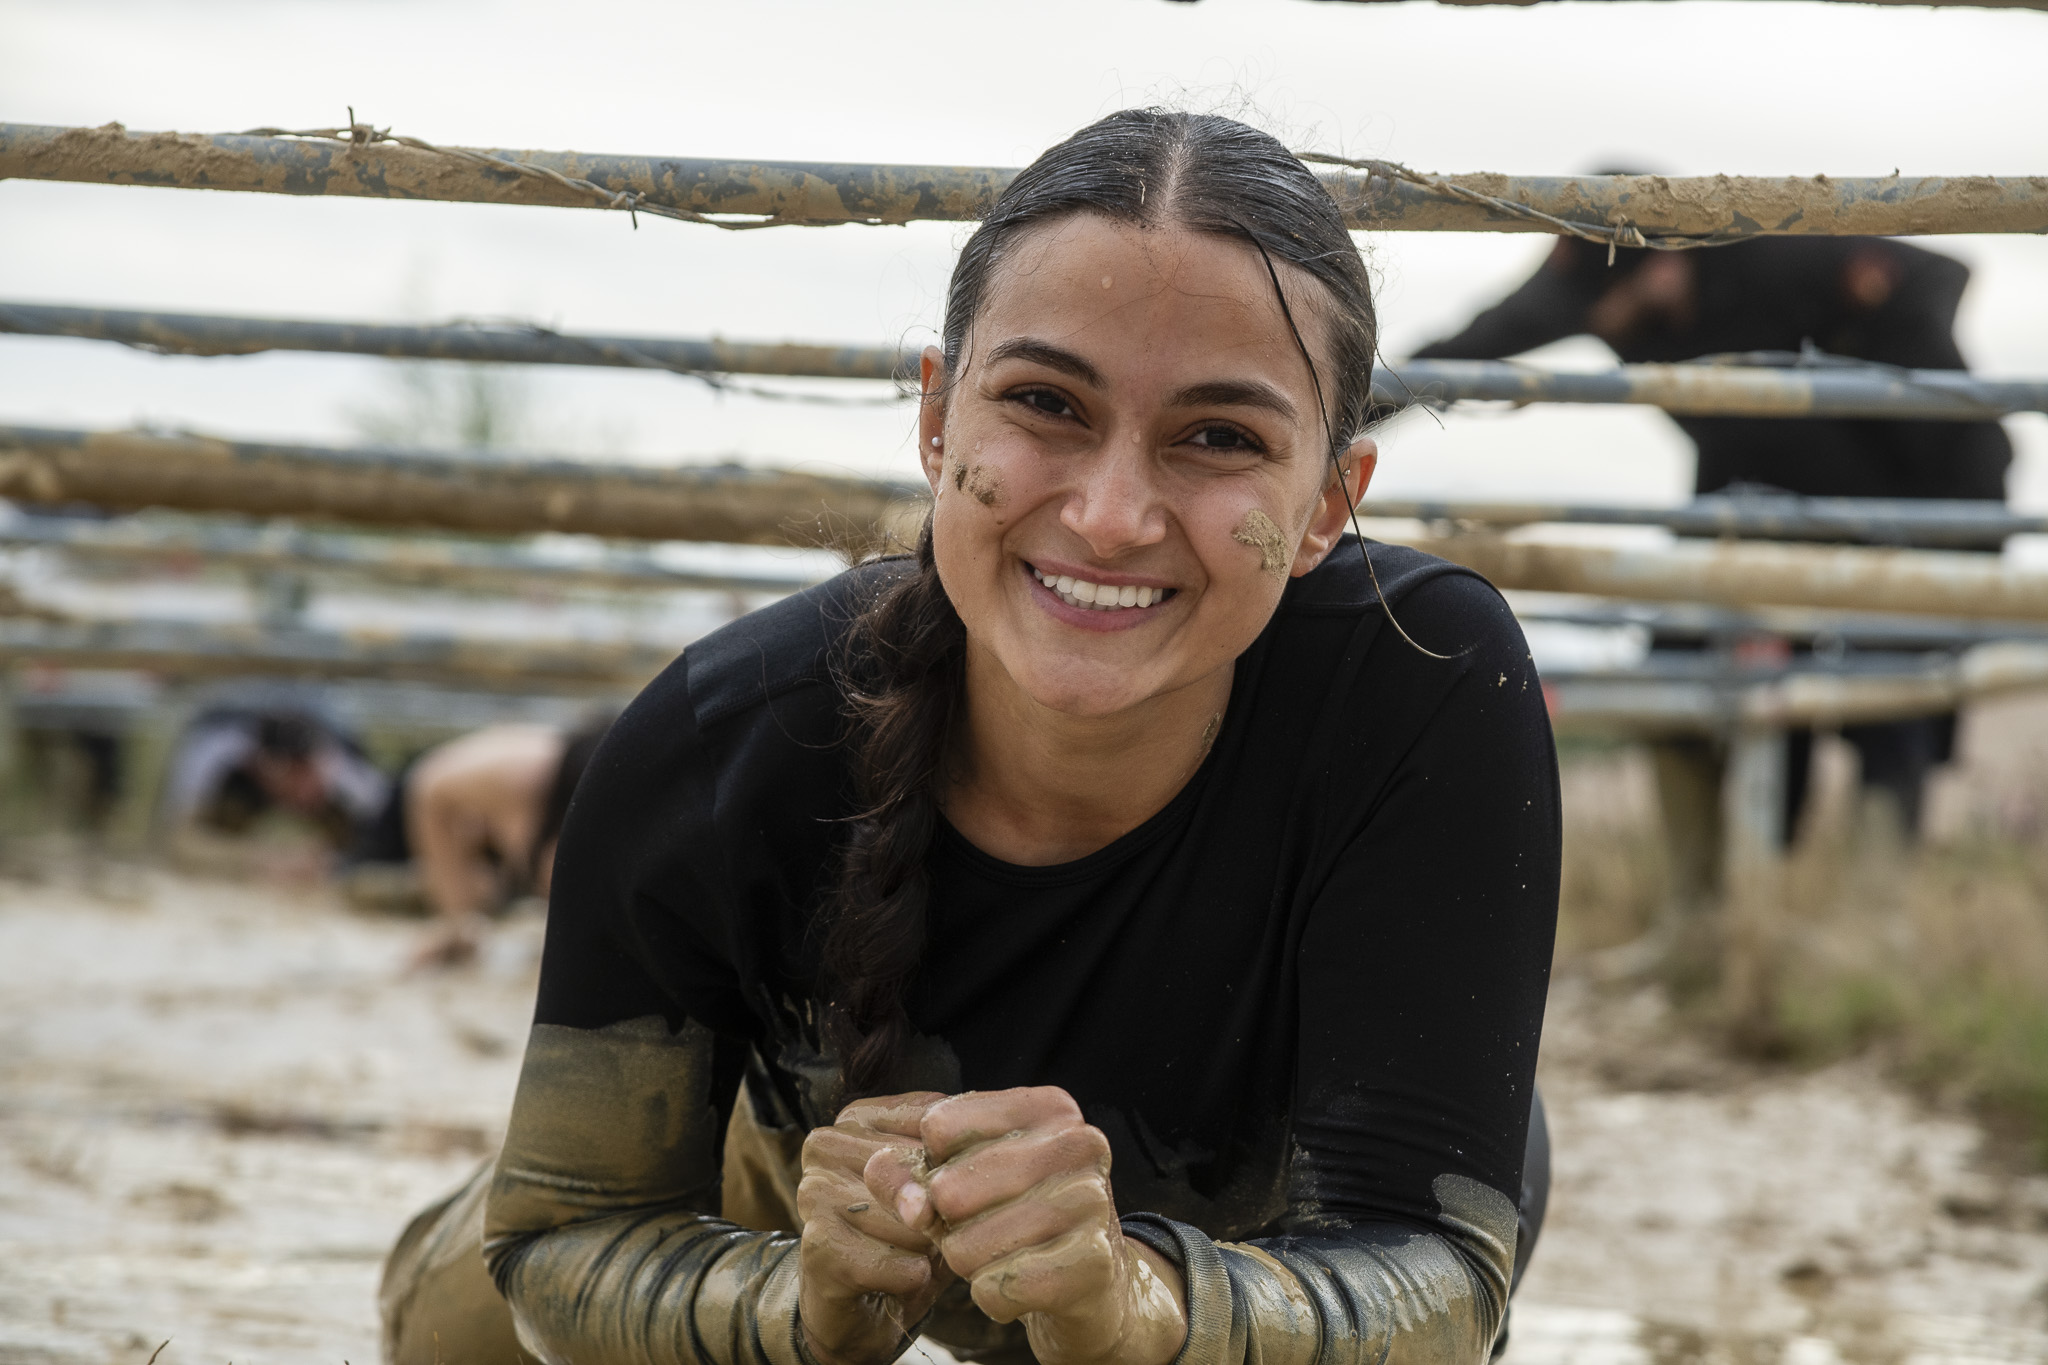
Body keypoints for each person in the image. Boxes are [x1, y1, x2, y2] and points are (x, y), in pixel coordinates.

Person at [379, 109, 1560, 1365]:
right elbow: (564, 1239)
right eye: (1045, 403)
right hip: (804, 1168)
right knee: (447, 1335)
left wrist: (1140, 1306)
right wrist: (791, 1307)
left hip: (1264, 1218)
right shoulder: (721, 738)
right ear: (938, 424)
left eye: (1219, 436)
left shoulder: (1418, 689)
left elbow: (1428, 1266)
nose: (1109, 518)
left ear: (1327, 503)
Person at [1413, 227, 2014, 849]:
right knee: (1681, 673)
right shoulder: (1582, 275)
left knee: (1894, 697)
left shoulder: (1771, 257)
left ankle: (1868, 922)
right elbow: (1468, 349)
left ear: (1666, 264)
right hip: (1771, 512)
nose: (1604, 325)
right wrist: (1347, 417)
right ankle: (1710, 913)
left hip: (1930, 490)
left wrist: (1846, 355)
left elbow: (1940, 273)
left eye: (1614, 303)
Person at [377, 716, 615, 969]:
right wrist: (457, 913)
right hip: (415, 794)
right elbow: (427, 785)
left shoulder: (552, 774)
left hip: (464, 792)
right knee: (462, 923)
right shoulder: (529, 780)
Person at [163, 707, 391, 871]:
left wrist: (329, 862)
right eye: (290, 775)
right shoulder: (216, 754)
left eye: (307, 772)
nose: (302, 787)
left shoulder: (348, 773)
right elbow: (177, 843)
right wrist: (254, 858)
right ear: (259, 768)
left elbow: (382, 848)